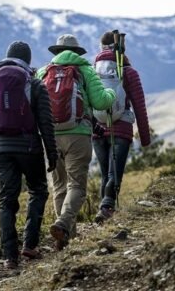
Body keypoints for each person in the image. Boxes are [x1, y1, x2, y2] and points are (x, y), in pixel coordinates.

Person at [0, 41, 57, 270]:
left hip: (1, 150)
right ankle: (30, 245)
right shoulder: (35, 85)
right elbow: (46, 123)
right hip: (30, 148)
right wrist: (51, 154)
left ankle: (9, 257)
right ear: (28, 61)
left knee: (7, 200)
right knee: (38, 190)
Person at [36, 34, 116, 250]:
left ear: (56, 52)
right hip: (78, 134)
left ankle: (65, 236)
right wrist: (111, 93)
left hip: (51, 137)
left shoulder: (43, 72)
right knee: (77, 185)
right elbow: (101, 101)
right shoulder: (85, 70)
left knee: (59, 184)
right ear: (78, 52)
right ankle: (63, 223)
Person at [92, 31, 151, 223]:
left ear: (101, 48)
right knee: (114, 173)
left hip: (98, 130)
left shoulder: (93, 71)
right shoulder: (129, 72)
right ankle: (107, 208)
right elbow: (139, 106)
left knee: (105, 174)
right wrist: (145, 138)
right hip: (121, 129)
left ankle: (104, 210)